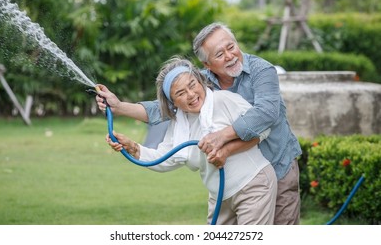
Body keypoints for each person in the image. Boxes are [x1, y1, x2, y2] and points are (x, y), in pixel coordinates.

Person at [96, 22, 302, 225]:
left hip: (276, 162)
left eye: (231, 47)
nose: (229, 56)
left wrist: (222, 140)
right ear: (207, 65)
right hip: (226, 185)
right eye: (219, 54)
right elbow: (164, 108)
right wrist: (119, 107)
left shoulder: (261, 71)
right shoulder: (200, 83)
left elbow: (266, 115)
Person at [105, 56, 277, 225]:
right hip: (219, 196)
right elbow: (163, 158)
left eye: (192, 85)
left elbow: (263, 129)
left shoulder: (223, 100)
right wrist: (133, 148)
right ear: (172, 102)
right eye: (180, 93)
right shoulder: (179, 125)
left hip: (253, 185)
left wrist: (226, 150)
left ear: (200, 81)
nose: (191, 94)